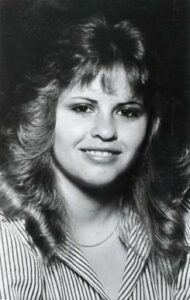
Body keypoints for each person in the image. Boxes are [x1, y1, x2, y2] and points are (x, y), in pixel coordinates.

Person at [0, 5, 190, 300]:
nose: (106, 130)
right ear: (44, 115)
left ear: (151, 126)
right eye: (83, 108)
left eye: (127, 112)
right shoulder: (9, 236)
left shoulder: (177, 229)